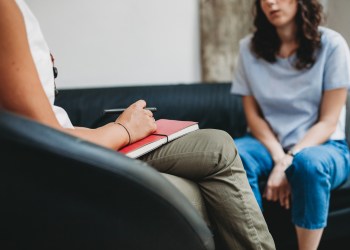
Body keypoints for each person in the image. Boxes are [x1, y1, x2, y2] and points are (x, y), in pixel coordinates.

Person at [0, 0, 276, 249]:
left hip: (71, 147)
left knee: (218, 145)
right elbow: (46, 139)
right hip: (64, 167)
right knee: (201, 191)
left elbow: (49, 121)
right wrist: (123, 130)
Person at [231, 0, 350, 249]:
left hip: (323, 144)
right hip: (266, 143)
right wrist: (279, 158)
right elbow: (253, 117)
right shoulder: (247, 49)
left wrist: (290, 159)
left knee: (308, 165)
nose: (270, 2)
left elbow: (328, 122)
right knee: (230, 155)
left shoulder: (332, 45)